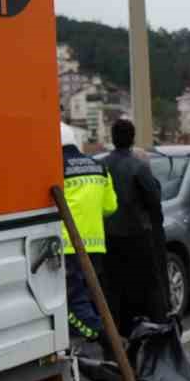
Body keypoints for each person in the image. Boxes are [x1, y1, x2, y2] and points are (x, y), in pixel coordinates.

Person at [102, 118, 166, 330]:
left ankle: (119, 330)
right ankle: (158, 328)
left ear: (112, 138)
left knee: (115, 287)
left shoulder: (101, 166)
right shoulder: (139, 166)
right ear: (132, 139)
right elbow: (154, 199)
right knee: (149, 284)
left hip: (108, 236)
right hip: (137, 234)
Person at [60, 128, 118, 344]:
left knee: (71, 299)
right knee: (91, 294)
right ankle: (106, 337)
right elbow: (110, 207)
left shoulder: (56, 167)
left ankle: (99, 335)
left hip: (67, 245)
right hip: (95, 244)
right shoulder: (99, 166)